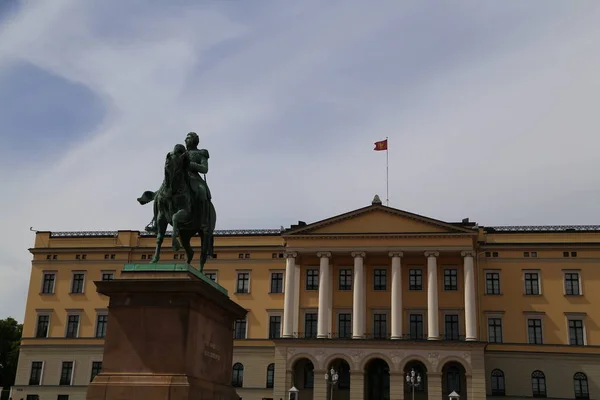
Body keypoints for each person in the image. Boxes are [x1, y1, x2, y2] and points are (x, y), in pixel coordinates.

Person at [184, 131, 212, 229]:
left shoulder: (201, 153)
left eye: (188, 138)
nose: (185, 140)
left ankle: (204, 220)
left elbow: (205, 169)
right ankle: (156, 221)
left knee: (202, 192)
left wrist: (191, 165)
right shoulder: (182, 153)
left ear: (194, 140)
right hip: (182, 178)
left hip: (195, 179)